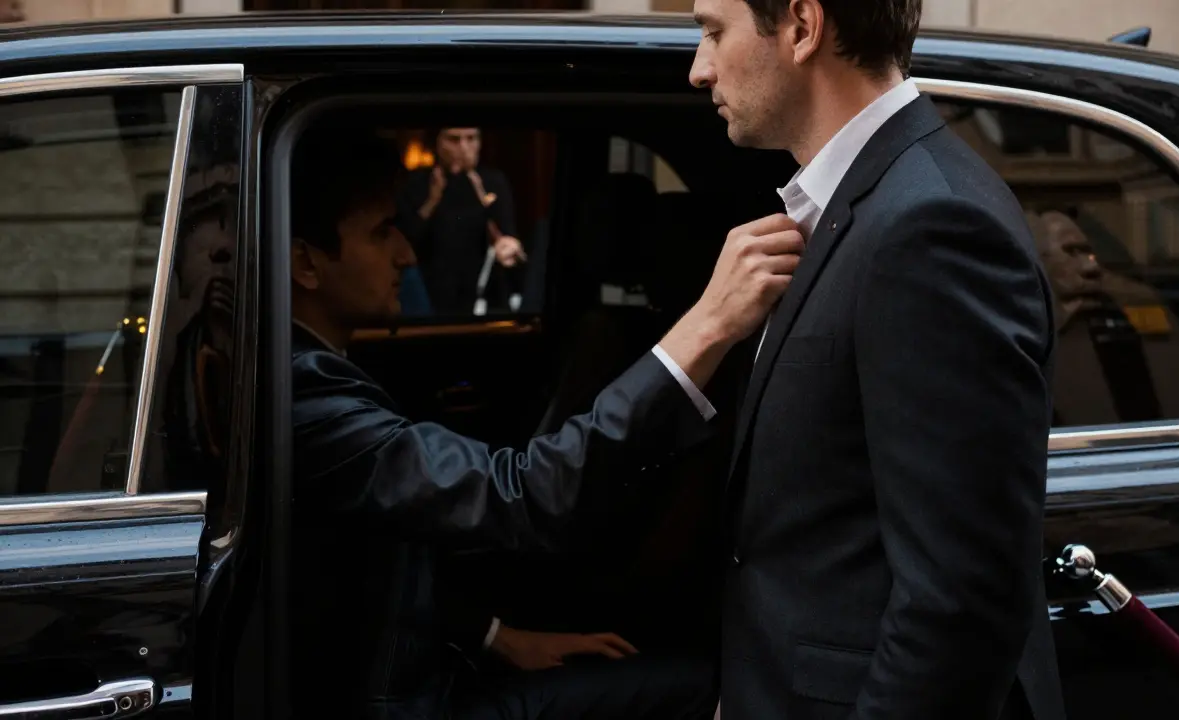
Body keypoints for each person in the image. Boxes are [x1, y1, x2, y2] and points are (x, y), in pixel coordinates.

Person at [287, 123, 802, 719]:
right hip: (408, 704)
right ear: (305, 261)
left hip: (418, 669)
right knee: (706, 689)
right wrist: (707, 324)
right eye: (382, 233)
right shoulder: (310, 393)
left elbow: (380, 562)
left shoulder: (316, 371)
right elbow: (525, 492)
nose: (407, 251)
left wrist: (496, 636)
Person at [688, 0, 1066, 718]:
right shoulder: (857, 204)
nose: (699, 68)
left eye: (713, 31)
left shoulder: (931, 225)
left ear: (802, 25)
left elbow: (960, 603)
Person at [398, 127, 527, 316]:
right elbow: (406, 240)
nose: (464, 147)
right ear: (437, 143)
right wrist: (432, 201)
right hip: (430, 294)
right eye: (454, 140)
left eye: (471, 139)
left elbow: (507, 235)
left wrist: (510, 248)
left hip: (481, 296)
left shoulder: (493, 181)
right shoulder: (417, 182)